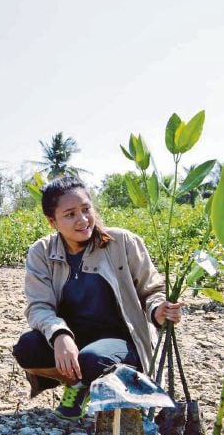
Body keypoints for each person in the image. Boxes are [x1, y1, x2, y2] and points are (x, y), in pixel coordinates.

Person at [13, 176, 183, 420]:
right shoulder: (41, 252)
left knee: (92, 360)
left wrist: (159, 310)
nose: (82, 220)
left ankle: (94, 384)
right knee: (27, 348)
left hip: (123, 341)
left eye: (86, 209)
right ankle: (78, 384)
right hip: (75, 337)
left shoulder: (123, 242)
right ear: (53, 221)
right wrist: (60, 335)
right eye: (70, 214)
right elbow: (39, 306)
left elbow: (152, 290)